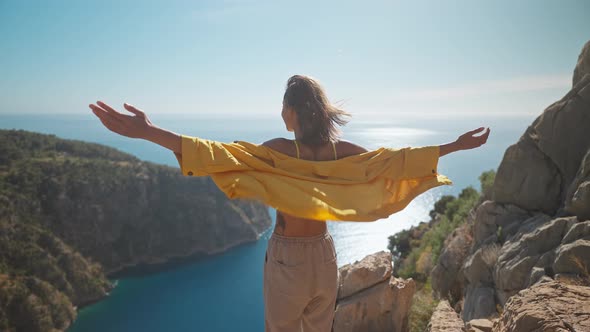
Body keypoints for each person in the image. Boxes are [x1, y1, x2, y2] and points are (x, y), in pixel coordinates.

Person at [89, 74, 490, 332]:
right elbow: (394, 163)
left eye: (284, 107)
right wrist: (454, 145)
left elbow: (214, 154)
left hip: (288, 259)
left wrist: (147, 131)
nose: (281, 113)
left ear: (294, 111)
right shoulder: (343, 153)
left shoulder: (279, 151)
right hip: (324, 255)